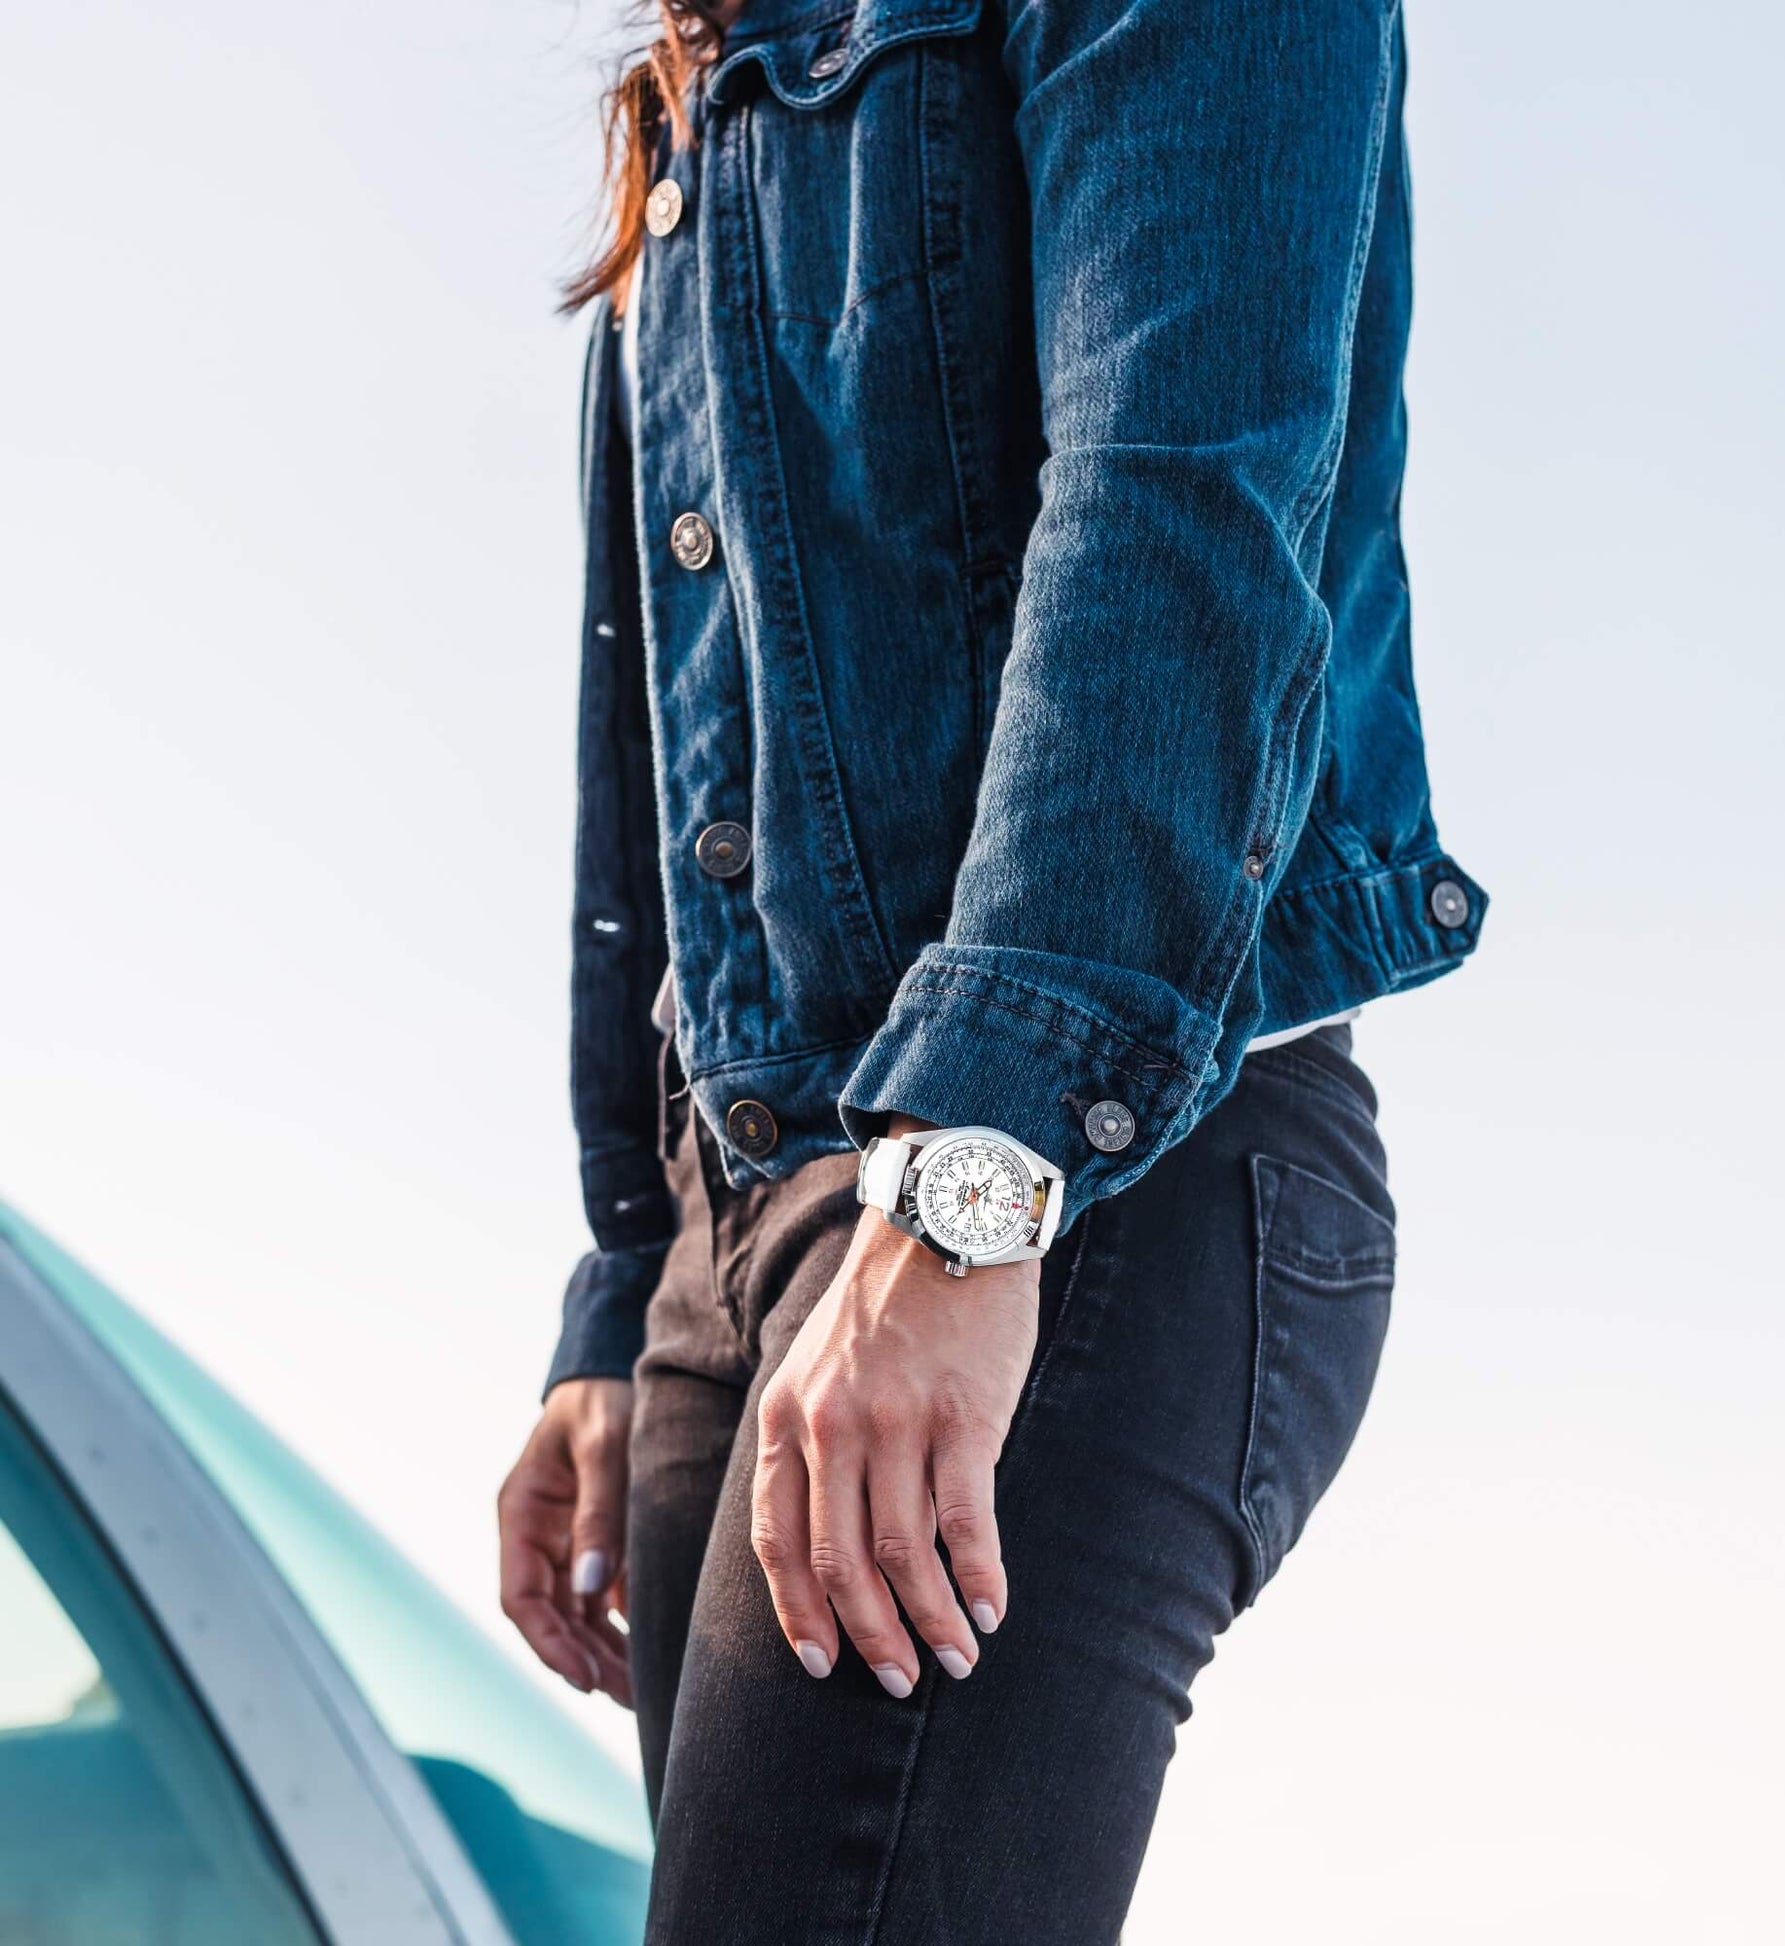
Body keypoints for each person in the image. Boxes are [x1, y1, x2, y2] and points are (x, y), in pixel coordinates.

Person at [497, 0, 1484, 1936]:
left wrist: (977, 1175)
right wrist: (626, 1293)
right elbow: (669, 725)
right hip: (759, 1218)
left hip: (1085, 1145)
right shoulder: (705, 69)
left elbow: (1184, 487)